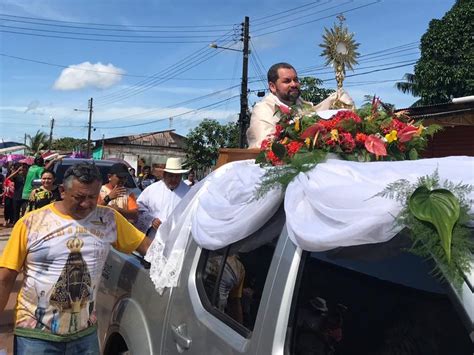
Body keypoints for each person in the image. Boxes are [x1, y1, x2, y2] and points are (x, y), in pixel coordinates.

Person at [0, 162, 151, 354]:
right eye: (79, 197)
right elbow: (5, 277)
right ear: (62, 191)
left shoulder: (108, 219)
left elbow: (146, 246)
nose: (87, 204)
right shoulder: (31, 223)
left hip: (85, 335)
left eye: (93, 197)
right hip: (35, 335)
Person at [246, 62, 355, 148]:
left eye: (296, 80)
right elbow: (266, 145)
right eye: (287, 81)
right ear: (272, 86)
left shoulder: (303, 105)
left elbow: (318, 115)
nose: (294, 84)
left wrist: (335, 100)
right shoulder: (263, 109)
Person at [136, 157, 190, 237]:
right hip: (155, 236)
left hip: (177, 237)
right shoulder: (152, 190)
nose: (174, 179)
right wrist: (151, 220)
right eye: (171, 176)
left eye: (177, 176)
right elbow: (139, 207)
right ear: (164, 175)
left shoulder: (188, 192)